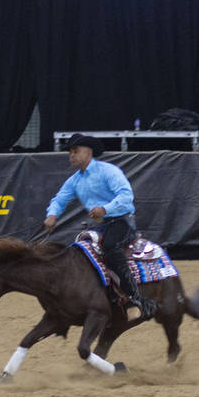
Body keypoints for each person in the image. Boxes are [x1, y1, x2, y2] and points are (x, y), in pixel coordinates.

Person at [44, 133, 156, 322]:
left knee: (111, 248)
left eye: (75, 151)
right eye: (70, 152)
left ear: (88, 152)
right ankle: (98, 298)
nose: (71, 155)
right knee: (80, 254)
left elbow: (125, 196)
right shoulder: (75, 180)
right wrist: (52, 215)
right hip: (102, 226)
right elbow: (60, 199)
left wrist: (105, 209)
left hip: (122, 221)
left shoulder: (108, 171)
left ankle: (134, 300)